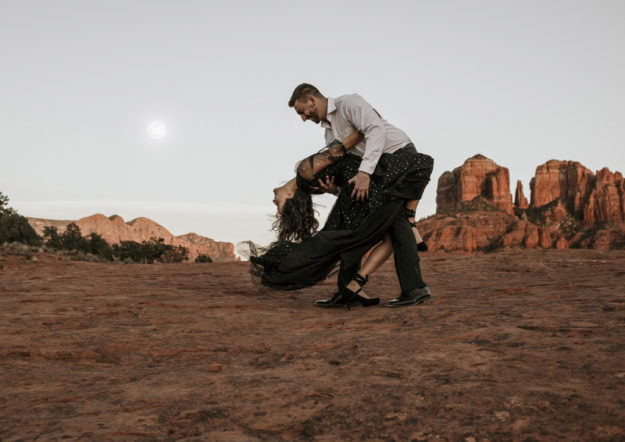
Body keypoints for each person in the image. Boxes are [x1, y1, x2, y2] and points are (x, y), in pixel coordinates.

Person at [250, 84, 433, 308]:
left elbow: (376, 131)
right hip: (377, 170)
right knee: (354, 220)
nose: (303, 118)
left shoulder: (349, 103)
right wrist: (334, 189)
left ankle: (412, 288)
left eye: (301, 111)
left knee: (395, 223)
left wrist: (364, 173)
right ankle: (352, 289)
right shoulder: (329, 132)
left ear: (310, 99)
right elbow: (348, 164)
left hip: (398, 157)